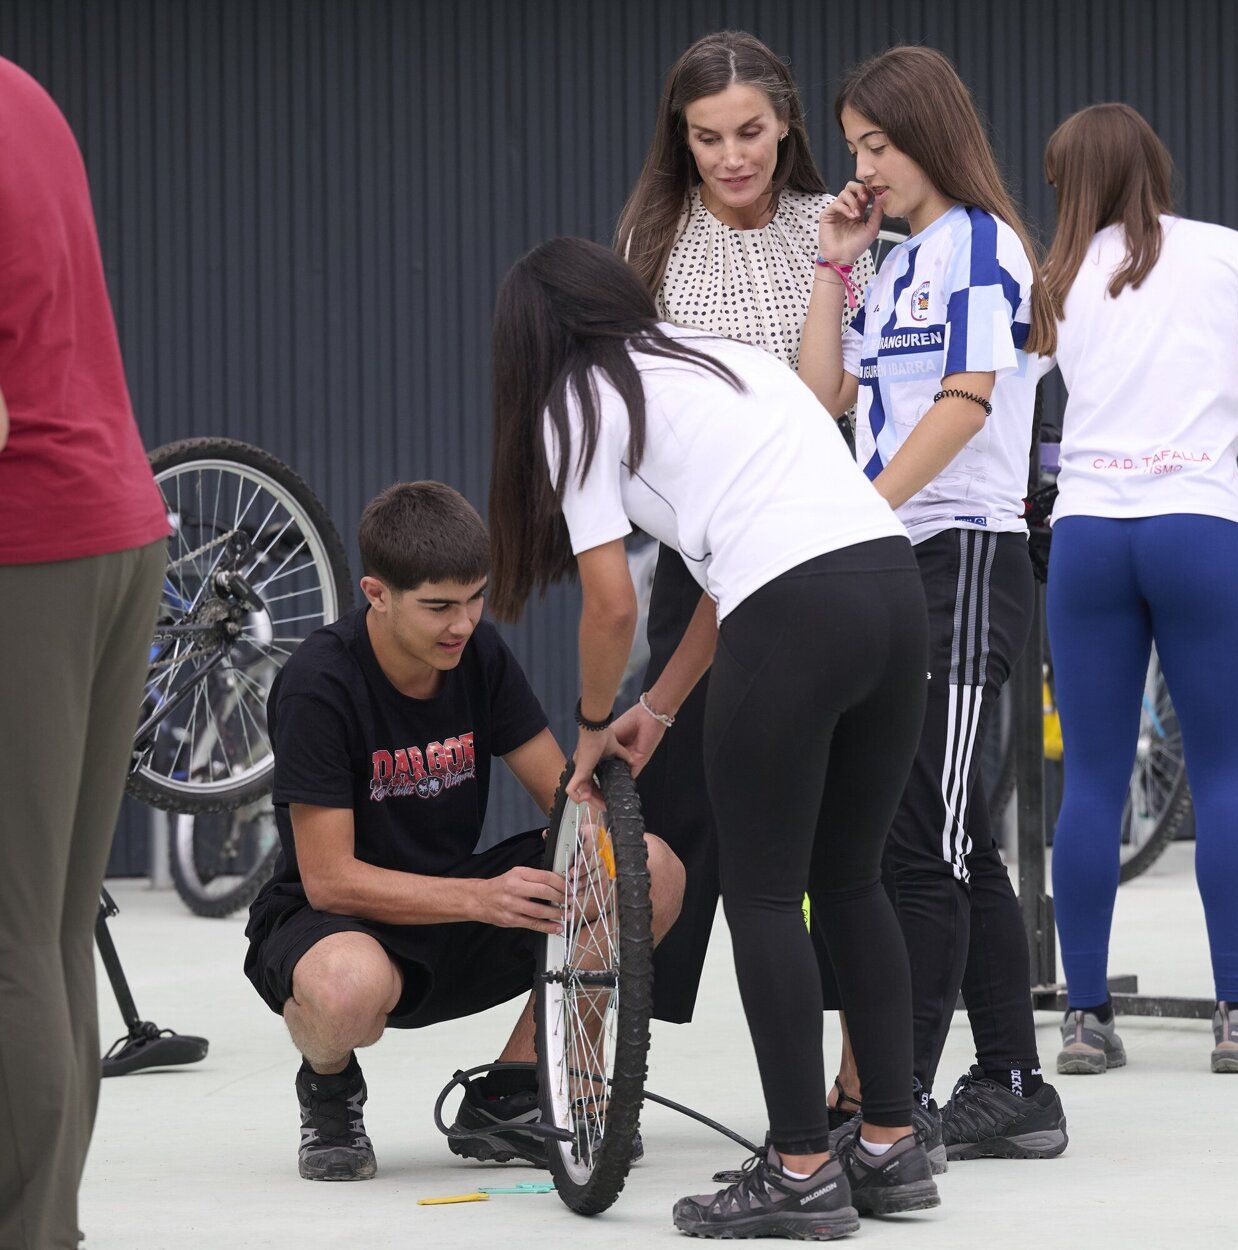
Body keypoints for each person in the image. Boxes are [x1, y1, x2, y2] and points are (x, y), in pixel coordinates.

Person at [488, 236, 936, 1239]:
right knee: (853, 878)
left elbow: (609, 601)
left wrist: (596, 724)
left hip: (794, 611)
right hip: (889, 590)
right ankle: (890, 1145)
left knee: (768, 893)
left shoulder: (577, 400)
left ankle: (800, 1166)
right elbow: (744, 558)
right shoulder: (718, 358)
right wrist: (665, 702)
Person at [241, 481, 685, 1182]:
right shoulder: (318, 683)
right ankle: (328, 1087)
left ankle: (517, 1089)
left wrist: (607, 853)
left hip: (458, 902)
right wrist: (482, 900)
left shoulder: (478, 654)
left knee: (651, 869)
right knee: (344, 990)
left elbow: (559, 796)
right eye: (440, 606)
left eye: (475, 599)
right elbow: (329, 877)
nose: (463, 623)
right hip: (339, 918)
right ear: (377, 593)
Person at [796, 43, 1068, 1160]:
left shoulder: (983, 247)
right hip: (897, 557)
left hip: (960, 556)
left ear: (931, 134)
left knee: (918, 844)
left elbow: (964, 403)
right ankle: (1010, 1081)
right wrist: (833, 264)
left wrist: (862, 510)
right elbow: (822, 397)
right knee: (945, 837)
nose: (864, 167)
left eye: (878, 144)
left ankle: (889, 1107)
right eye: (853, 147)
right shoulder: (899, 258)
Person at [1032, 104, 1238, 1075]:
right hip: (1197, 525)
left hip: (1087, 535)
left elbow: (993, 394)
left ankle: (1082, 1017)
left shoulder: (1054, 277)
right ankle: (1237, 1017)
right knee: (1221, 776)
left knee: (1093, 780)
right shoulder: (1227, 251)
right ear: (1156, 167)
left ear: (1071, 182)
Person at [611, 29, 874, 1030]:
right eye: (706, 136)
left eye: (750, 131)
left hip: (822, 549)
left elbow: (857, 388)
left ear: (786, 123)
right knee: (675, 799)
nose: (730, 155)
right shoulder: (652, 237)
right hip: (702, 554)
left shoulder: (837, 222)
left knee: (830, 818)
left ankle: (861, 1068)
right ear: (679, 139)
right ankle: (621, 1043)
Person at [0, 55, 171, 1250]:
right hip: (114, 524)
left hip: (27, 543)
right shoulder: (25, 93)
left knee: (11, 927)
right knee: (52, 921)